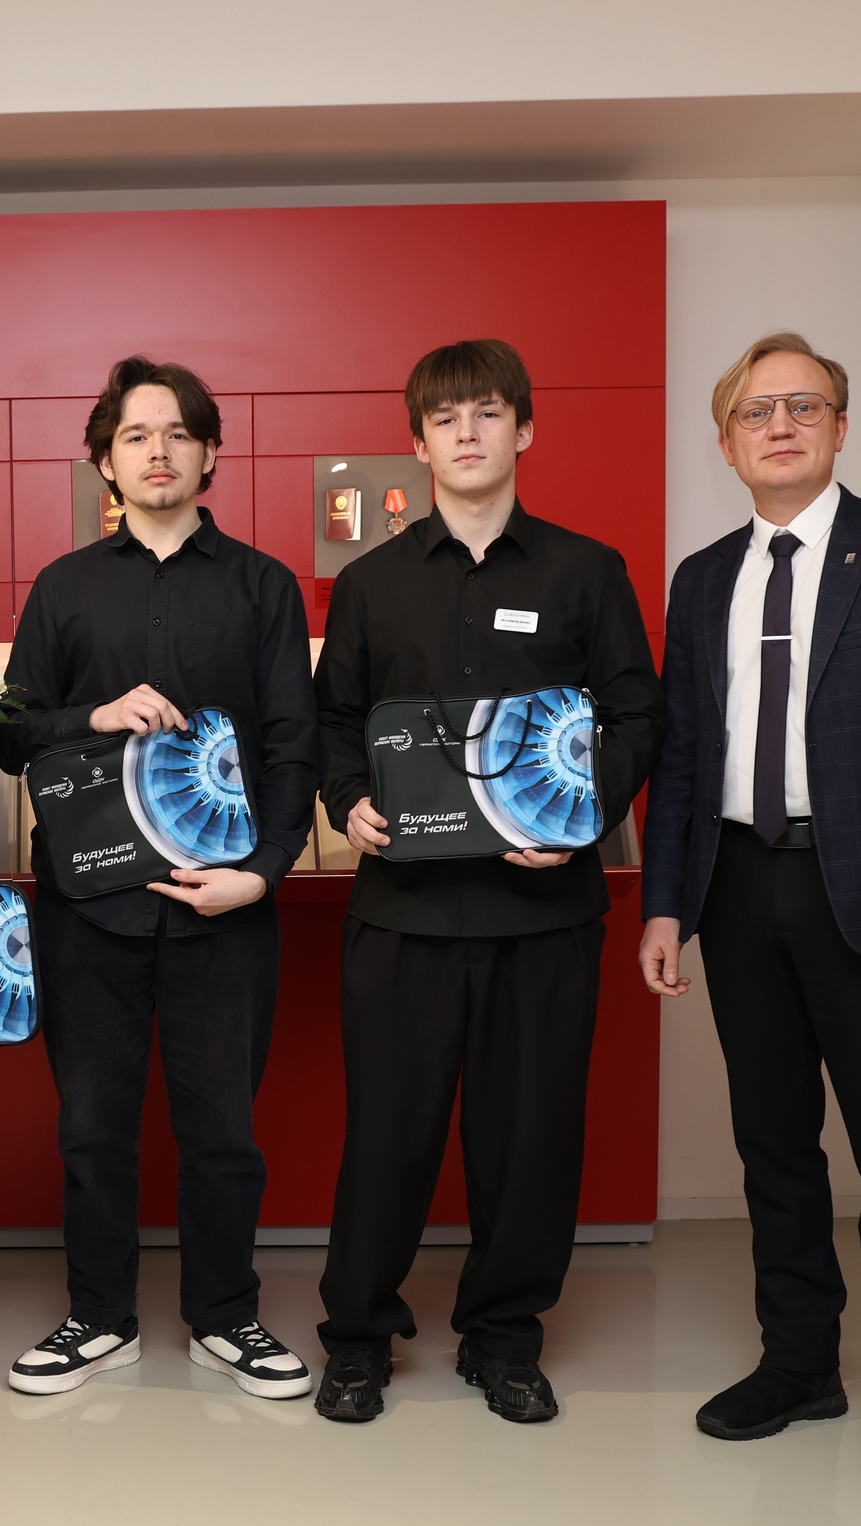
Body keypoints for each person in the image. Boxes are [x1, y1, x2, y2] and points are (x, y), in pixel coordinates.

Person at [637, 331, 861, 1506]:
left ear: (840, 427)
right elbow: (683, 758)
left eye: (804, 405)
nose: (780, 425)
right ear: (726, 443)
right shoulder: (702, 578)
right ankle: (799, 1365)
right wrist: (665, 904)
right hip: (737, 889)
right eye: (756, 412)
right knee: (773, 1149)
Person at [308, 339, 664, 1427]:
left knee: (530, 1140)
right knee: (387, 1138)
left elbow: (637, 716)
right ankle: (357, 1337)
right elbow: (334, 724)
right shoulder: (368, 585)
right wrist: (348, 800)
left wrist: (581, 815)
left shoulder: (586, 572)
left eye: (488, 412)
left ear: (525, 429)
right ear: (417, 444)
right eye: (445, 418)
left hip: (543, 914)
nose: (467, 433)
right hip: (403, 914)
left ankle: (504, 1338)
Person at [0, 356, 318, 1401]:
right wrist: (93, 714)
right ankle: (100, 1318)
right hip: (88, 907)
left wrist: (262, 876)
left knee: (222, 1132)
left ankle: (225, 1317)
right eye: (135, 434)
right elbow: (7, 734)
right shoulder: (63, 586)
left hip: (226, 906)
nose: (158, 451)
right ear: (105, 459)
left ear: (210, 452)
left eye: (179, 432)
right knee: (92, 1128)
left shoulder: (263, 585)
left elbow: (294, 746)